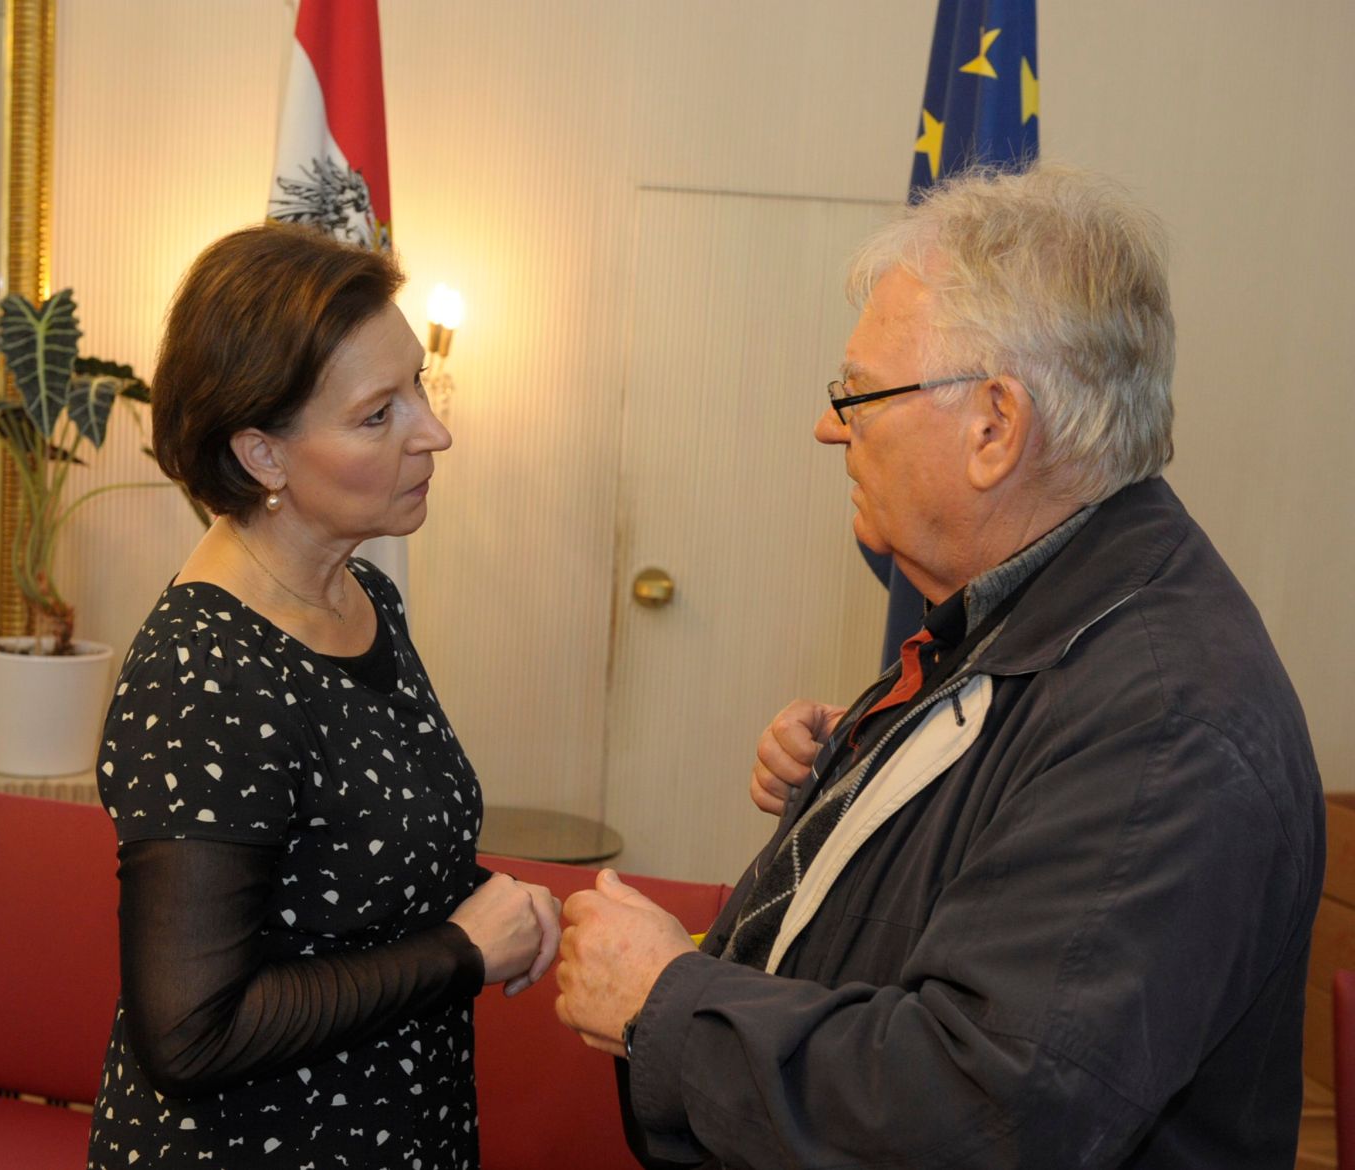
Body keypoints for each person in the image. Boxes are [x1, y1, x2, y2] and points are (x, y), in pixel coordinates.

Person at [553, 165, 1324, 1168]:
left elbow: (982, 1111)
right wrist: (859, 777)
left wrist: (667, 1004)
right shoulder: (1037, 613)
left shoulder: (1165, 723)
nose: (830, 426)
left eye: (860, 394)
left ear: (993, 428)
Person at [88, 224, 560, 1170]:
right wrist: (463, 954)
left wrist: (502, 906)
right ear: (263, 456)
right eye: (378, 414)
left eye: (418, 386)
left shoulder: (363, 595)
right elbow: (189, 1035)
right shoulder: (205, 670)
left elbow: (350, 874)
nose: (435, 431)